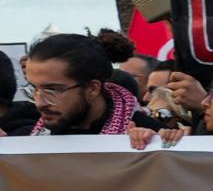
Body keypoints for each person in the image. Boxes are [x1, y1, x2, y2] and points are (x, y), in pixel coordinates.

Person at [10, 33, 161, 137]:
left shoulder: (147, 135)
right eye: (34, 89)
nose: (39, 103)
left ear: (92, 89)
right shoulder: (29, 137)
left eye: (52, 90)